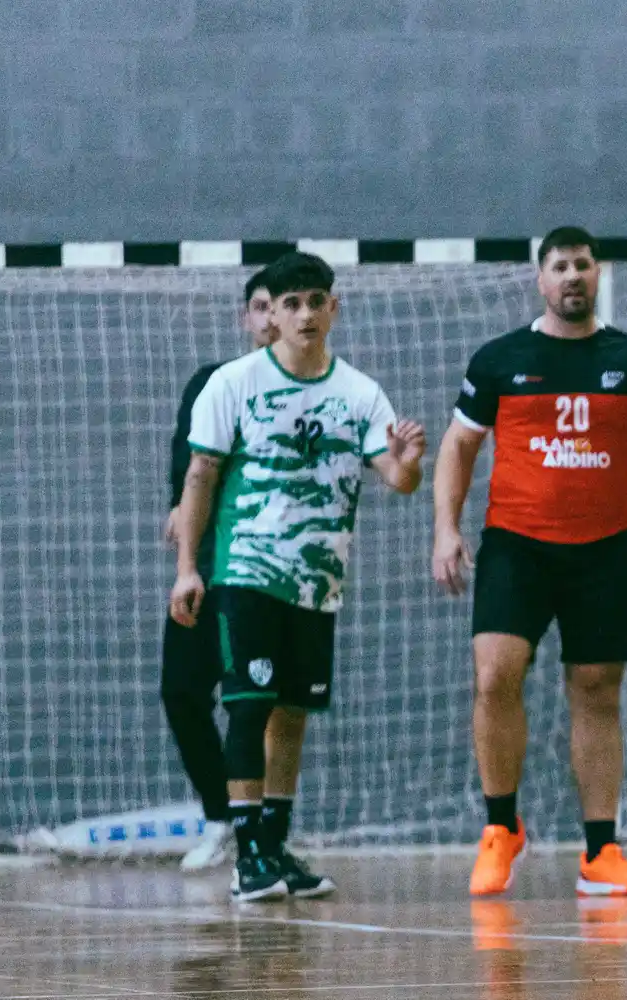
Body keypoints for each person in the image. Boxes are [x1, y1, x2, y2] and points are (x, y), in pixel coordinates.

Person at [432, 226, 627, 898]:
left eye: (583, 265)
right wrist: (446, 531)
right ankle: (499, 827)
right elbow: (457, 447)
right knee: (494, 675)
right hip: (517, 544)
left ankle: (601, 853)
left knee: (597, 688)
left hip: (602, 550)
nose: (572, 275)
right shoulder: (500, 360)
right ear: (541, 280)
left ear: (597, 275)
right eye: (560, 266)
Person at [170, 252, 427, 902]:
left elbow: (395, 479)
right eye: (292, 304)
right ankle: (247, 852)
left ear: (333, 307)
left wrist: (409, 462)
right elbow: (199, 479)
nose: (305, 313)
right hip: (246, 571)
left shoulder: (361, 393)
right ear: (270, 315)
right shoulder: (232, 383)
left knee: (293, 713)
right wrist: (186, 570)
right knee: (248, 707)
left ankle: (275, 841)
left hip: (317, 582)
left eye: (317, 300)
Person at [162, 269, 275, 872]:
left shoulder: (312, 394)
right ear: (246, 318)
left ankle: (267, 834)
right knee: (181, 690)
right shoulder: (213, 383)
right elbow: (188, 462)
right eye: (256, 307)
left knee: (257, 704)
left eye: (274, 307)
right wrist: (178, 508)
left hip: (268, 571)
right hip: (208, 565)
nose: (265, 318)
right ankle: (222, 816)